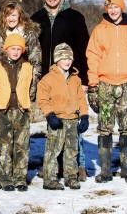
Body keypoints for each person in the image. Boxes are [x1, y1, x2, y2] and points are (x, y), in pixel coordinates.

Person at [86, 0, 127, 184]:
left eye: (115, 6)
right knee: (105, 127)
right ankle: (105, 171)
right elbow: (92, 57)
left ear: (121, 7)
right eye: (109, 7)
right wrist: (93, 86)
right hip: (105, 85)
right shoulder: (99, 30)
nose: (112, 10)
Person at [31, 0, 90, 181]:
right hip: (48, 79)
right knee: (53, 122)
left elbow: (84, 50)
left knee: (73, 121)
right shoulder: (36, 19)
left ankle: (78, 165)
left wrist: (83, 79)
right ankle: (53, 165)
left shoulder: (75, 17)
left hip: (70, 77)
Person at [37, 43, 89, 190]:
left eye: (69, 59)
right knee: (53, 150)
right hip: (57, 120)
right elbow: (42, 99)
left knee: (72, 150)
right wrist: (49, 115)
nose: (67, 61)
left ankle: (71, 177)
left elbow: (81, 99)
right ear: (57, 59)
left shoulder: (76, 79)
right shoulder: (47, 79)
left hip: (73, 120)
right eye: (64, 58)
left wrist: (84, 116)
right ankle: (50, 179)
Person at [0, 34, 34, 191]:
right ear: (6, 49)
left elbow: (32, 86)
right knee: (4, 146)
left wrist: (28, 100)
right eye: (12, 48)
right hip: (2, 110)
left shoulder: (27, 66)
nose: (15, 52)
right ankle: (4, 178)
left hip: (22, 110)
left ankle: (20, 178)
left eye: (19, 49)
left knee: (22, 145)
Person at [0, 0, 42, 102]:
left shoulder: (29, 35)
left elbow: (36, 64)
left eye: (14, 15)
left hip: (24, 85)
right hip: (1, 84)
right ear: (4, 17)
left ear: (20, 16)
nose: (11, 19)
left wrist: (31, 91)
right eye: (8, 15)